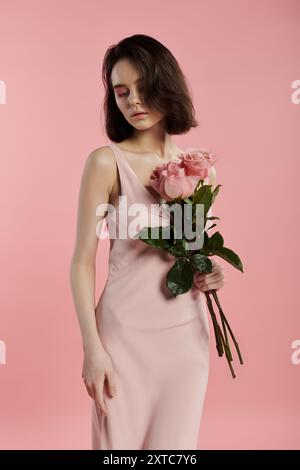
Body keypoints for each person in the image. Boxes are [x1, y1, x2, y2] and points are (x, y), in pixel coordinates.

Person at [69, 34, 225, 450]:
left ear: (166, 85)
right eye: (122, 92)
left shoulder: (199, 170)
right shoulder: (106, 162)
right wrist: (92, 348)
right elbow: (82, 261)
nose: (133, 101)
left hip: (186, 339)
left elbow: (196, 255)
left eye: (143, 88)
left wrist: (212, 273)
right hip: (122, 338)